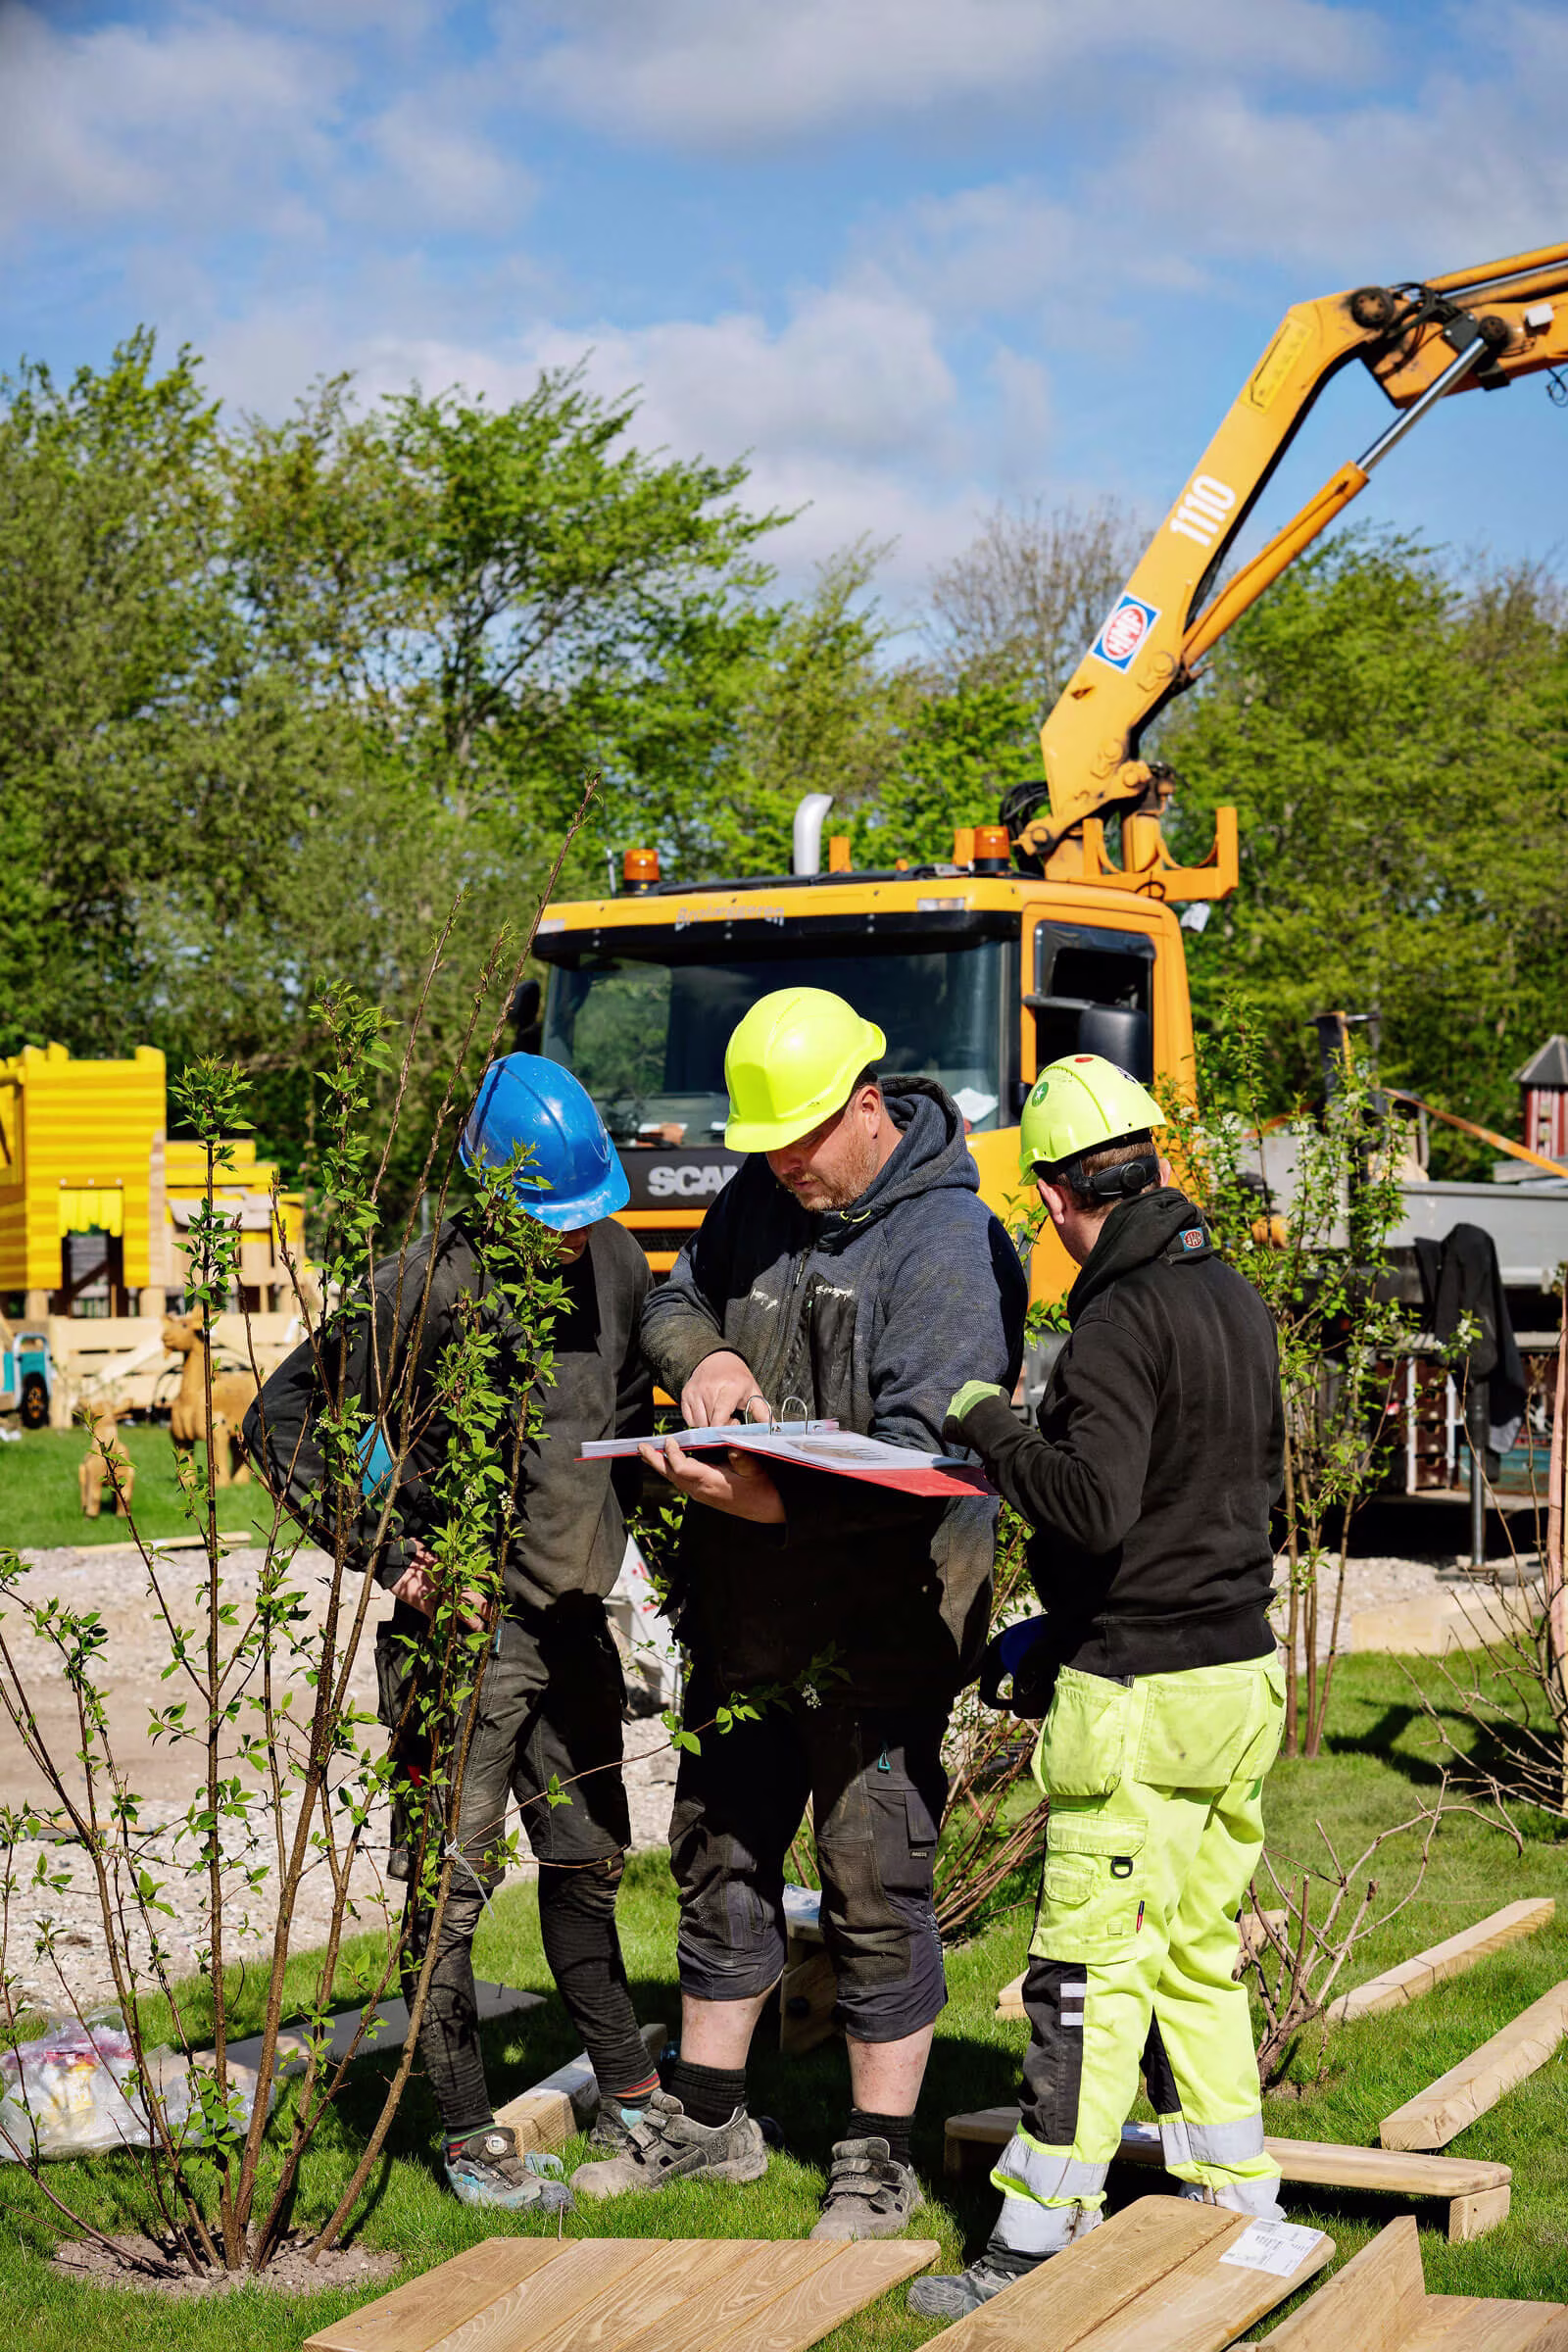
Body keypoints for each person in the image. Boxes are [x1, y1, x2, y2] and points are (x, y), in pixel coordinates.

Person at [569, 986, 1028, 2238]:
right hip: (748, 1618)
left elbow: (926, 1457)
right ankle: (709, 2117)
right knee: (719, 1850)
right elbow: (676, 1298)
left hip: (884, 1620)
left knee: (873, 1876)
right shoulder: (763, 1195)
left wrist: (768, 1508)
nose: (782, 1171)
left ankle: (875, 2155)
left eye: (800, 1146)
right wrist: (700, 1358)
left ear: (866, 1107)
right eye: (765, 1151)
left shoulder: (947, 1247)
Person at [908, 1052, 1287, 2320]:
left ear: (1067, 1198)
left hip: (1140, 1701)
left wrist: (989, 1423)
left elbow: (1094, 1501)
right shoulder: (1235, 1298)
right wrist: (1058, 1630)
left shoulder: (1119, 1322)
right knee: (1191, 1956)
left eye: (1052, 1214)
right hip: (1238, 1678)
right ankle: (1239, 2207)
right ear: (1156, 1166)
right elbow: (1199, 1506)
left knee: (1086, 1971)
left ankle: (1030, 2240)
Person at [246, 1054, 659, 2213]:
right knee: (450, 1901)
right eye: (552, 1222)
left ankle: (633, 2097)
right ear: (495, 1201)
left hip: (574, 1630)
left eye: (588, 1218)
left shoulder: (616, 1263)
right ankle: (470, 2138)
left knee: (585, 1870)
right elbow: (278, 1417)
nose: (576, 1241)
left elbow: (623, 1419)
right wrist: (393, 1553)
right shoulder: (421, 1289)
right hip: (463, 1651)